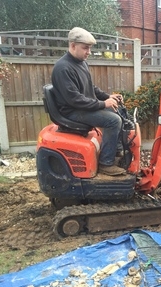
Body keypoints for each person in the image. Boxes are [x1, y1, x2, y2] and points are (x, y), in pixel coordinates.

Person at [51, 27, 126, 176]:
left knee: (120, 109)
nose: (89, 52)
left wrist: (108, 97)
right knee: (113, 121)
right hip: (72, 112)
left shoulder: (81, 63)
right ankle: (106, 163)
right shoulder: (63, 68)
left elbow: (90, 88)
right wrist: (103, 104)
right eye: (85, 48)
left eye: (89, 48)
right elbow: (75, 100)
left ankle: (115, 151)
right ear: (73, 45)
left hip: (81, 107)